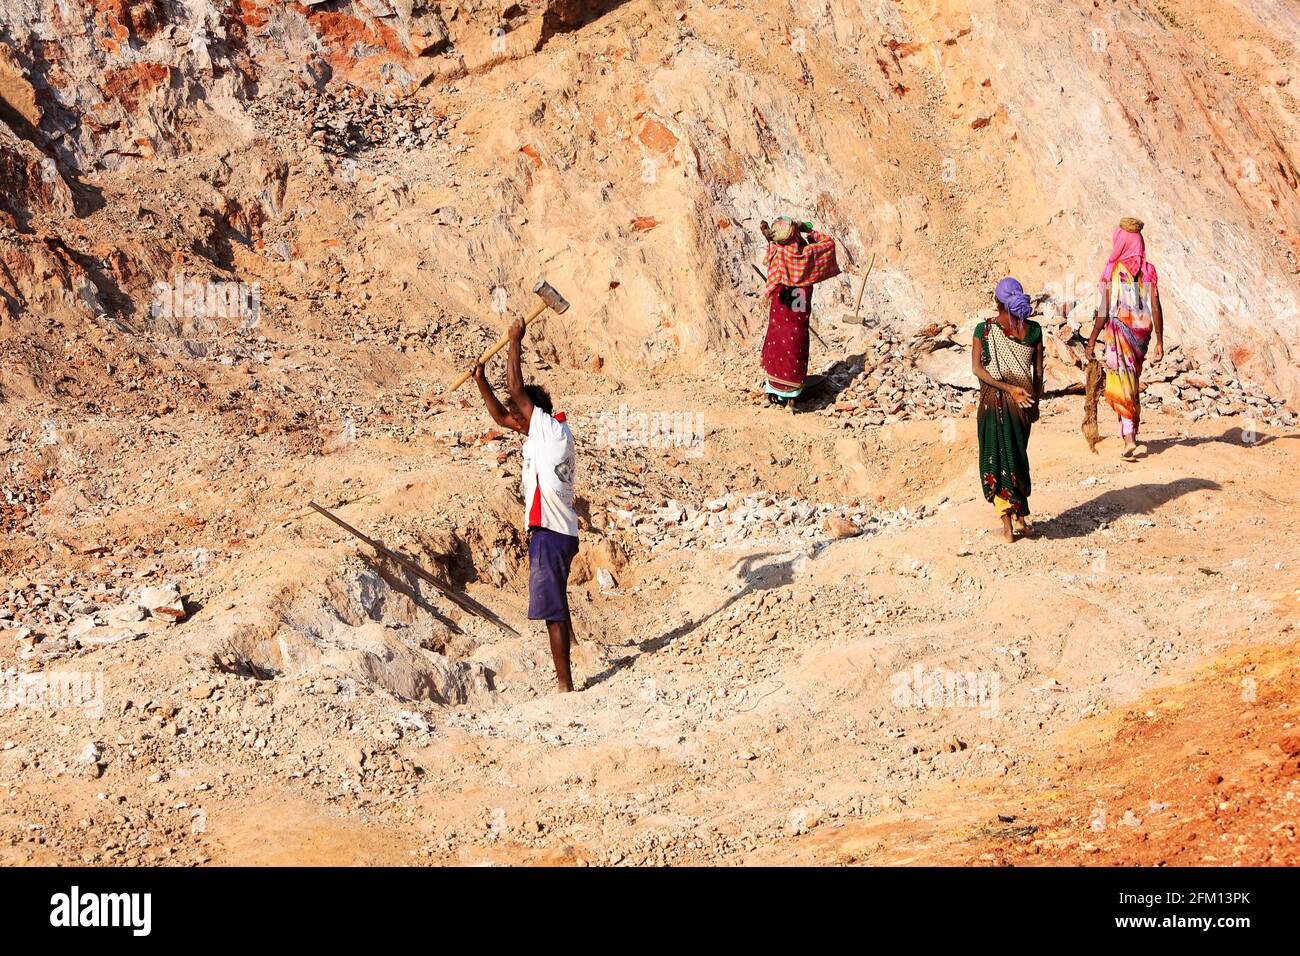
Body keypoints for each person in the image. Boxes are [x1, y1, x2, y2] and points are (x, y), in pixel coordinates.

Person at [472, 320, 580, 692]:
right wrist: (480, 380)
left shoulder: (549, 428)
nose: (513, 422)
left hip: (551, 531)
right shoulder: (542, 434)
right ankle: (570, 666)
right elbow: (501, 416)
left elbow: (516, 389)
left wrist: (515, 342)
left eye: (521, 416)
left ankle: (565, 686)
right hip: (554, 530)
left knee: (552, 610)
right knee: (556, 603)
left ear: (533, 412)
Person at [972, 277, 1044, 543]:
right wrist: (1035, 402)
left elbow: (977, 369)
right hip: (1023, 404)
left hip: (993, 404)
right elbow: (1039, 375)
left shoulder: (985, 330)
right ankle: (1021, 517)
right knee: (1017, 457)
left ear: (996, 301)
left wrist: (1005, 387)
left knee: (998, 459)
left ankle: (1007, 527)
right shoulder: (1034, 331)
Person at [1085, 217, 1164, 459]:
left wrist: (1092, 338)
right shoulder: (1148, 270)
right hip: (1142, 334)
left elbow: (1104, 308)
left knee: (1122, 381)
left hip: (1119, 331)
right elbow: (1156, 306)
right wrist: (1160, 340)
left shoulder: (1113, 270)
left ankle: (1129, 438)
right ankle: (1130, 430)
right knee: (1131, 381)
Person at [758, 216, 840, 408]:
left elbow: (772, 243)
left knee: (778, 336)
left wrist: (771, 237)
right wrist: (809, 230)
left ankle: (773, 387)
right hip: (798, 301)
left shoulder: (778, 252)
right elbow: (828, 243)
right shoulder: (805, 255)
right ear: (796, 235)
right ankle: (792, 394)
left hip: (781, 301)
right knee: (795, 336)